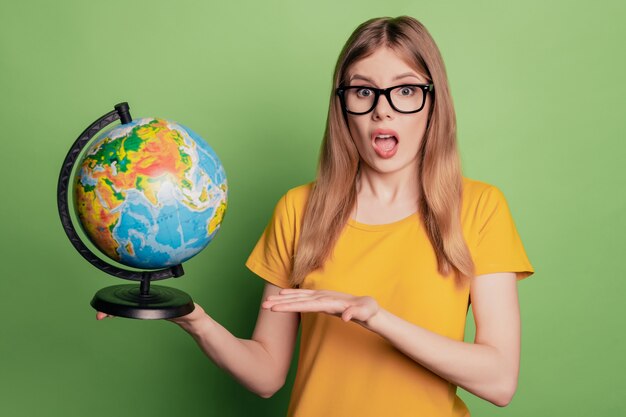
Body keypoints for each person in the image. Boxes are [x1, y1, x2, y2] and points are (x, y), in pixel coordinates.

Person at [98, 15, 534, 417]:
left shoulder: (479, 208)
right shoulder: (299, 209)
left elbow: (499, 381)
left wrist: (373, 316)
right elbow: (267, 374)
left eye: (405, 91)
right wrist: (194, 320)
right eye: (363, 91)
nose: (382, 109)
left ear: (432, 103)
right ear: (342, 107)